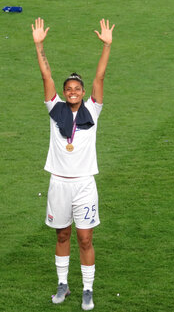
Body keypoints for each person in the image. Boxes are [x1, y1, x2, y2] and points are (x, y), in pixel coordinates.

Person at [31, 17, 114, 310]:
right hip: (58, 183)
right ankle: (63, 285)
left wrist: (106, 47)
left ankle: (88, 289)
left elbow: (100, 78)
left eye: (77, 87)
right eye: (69, 88)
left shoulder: (93, 109)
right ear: (64, 93)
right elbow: (46, 76)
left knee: (85, 238)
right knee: (62, 234)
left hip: (84, 184)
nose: (73, 91)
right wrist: (39, 45)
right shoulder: (55, 109)